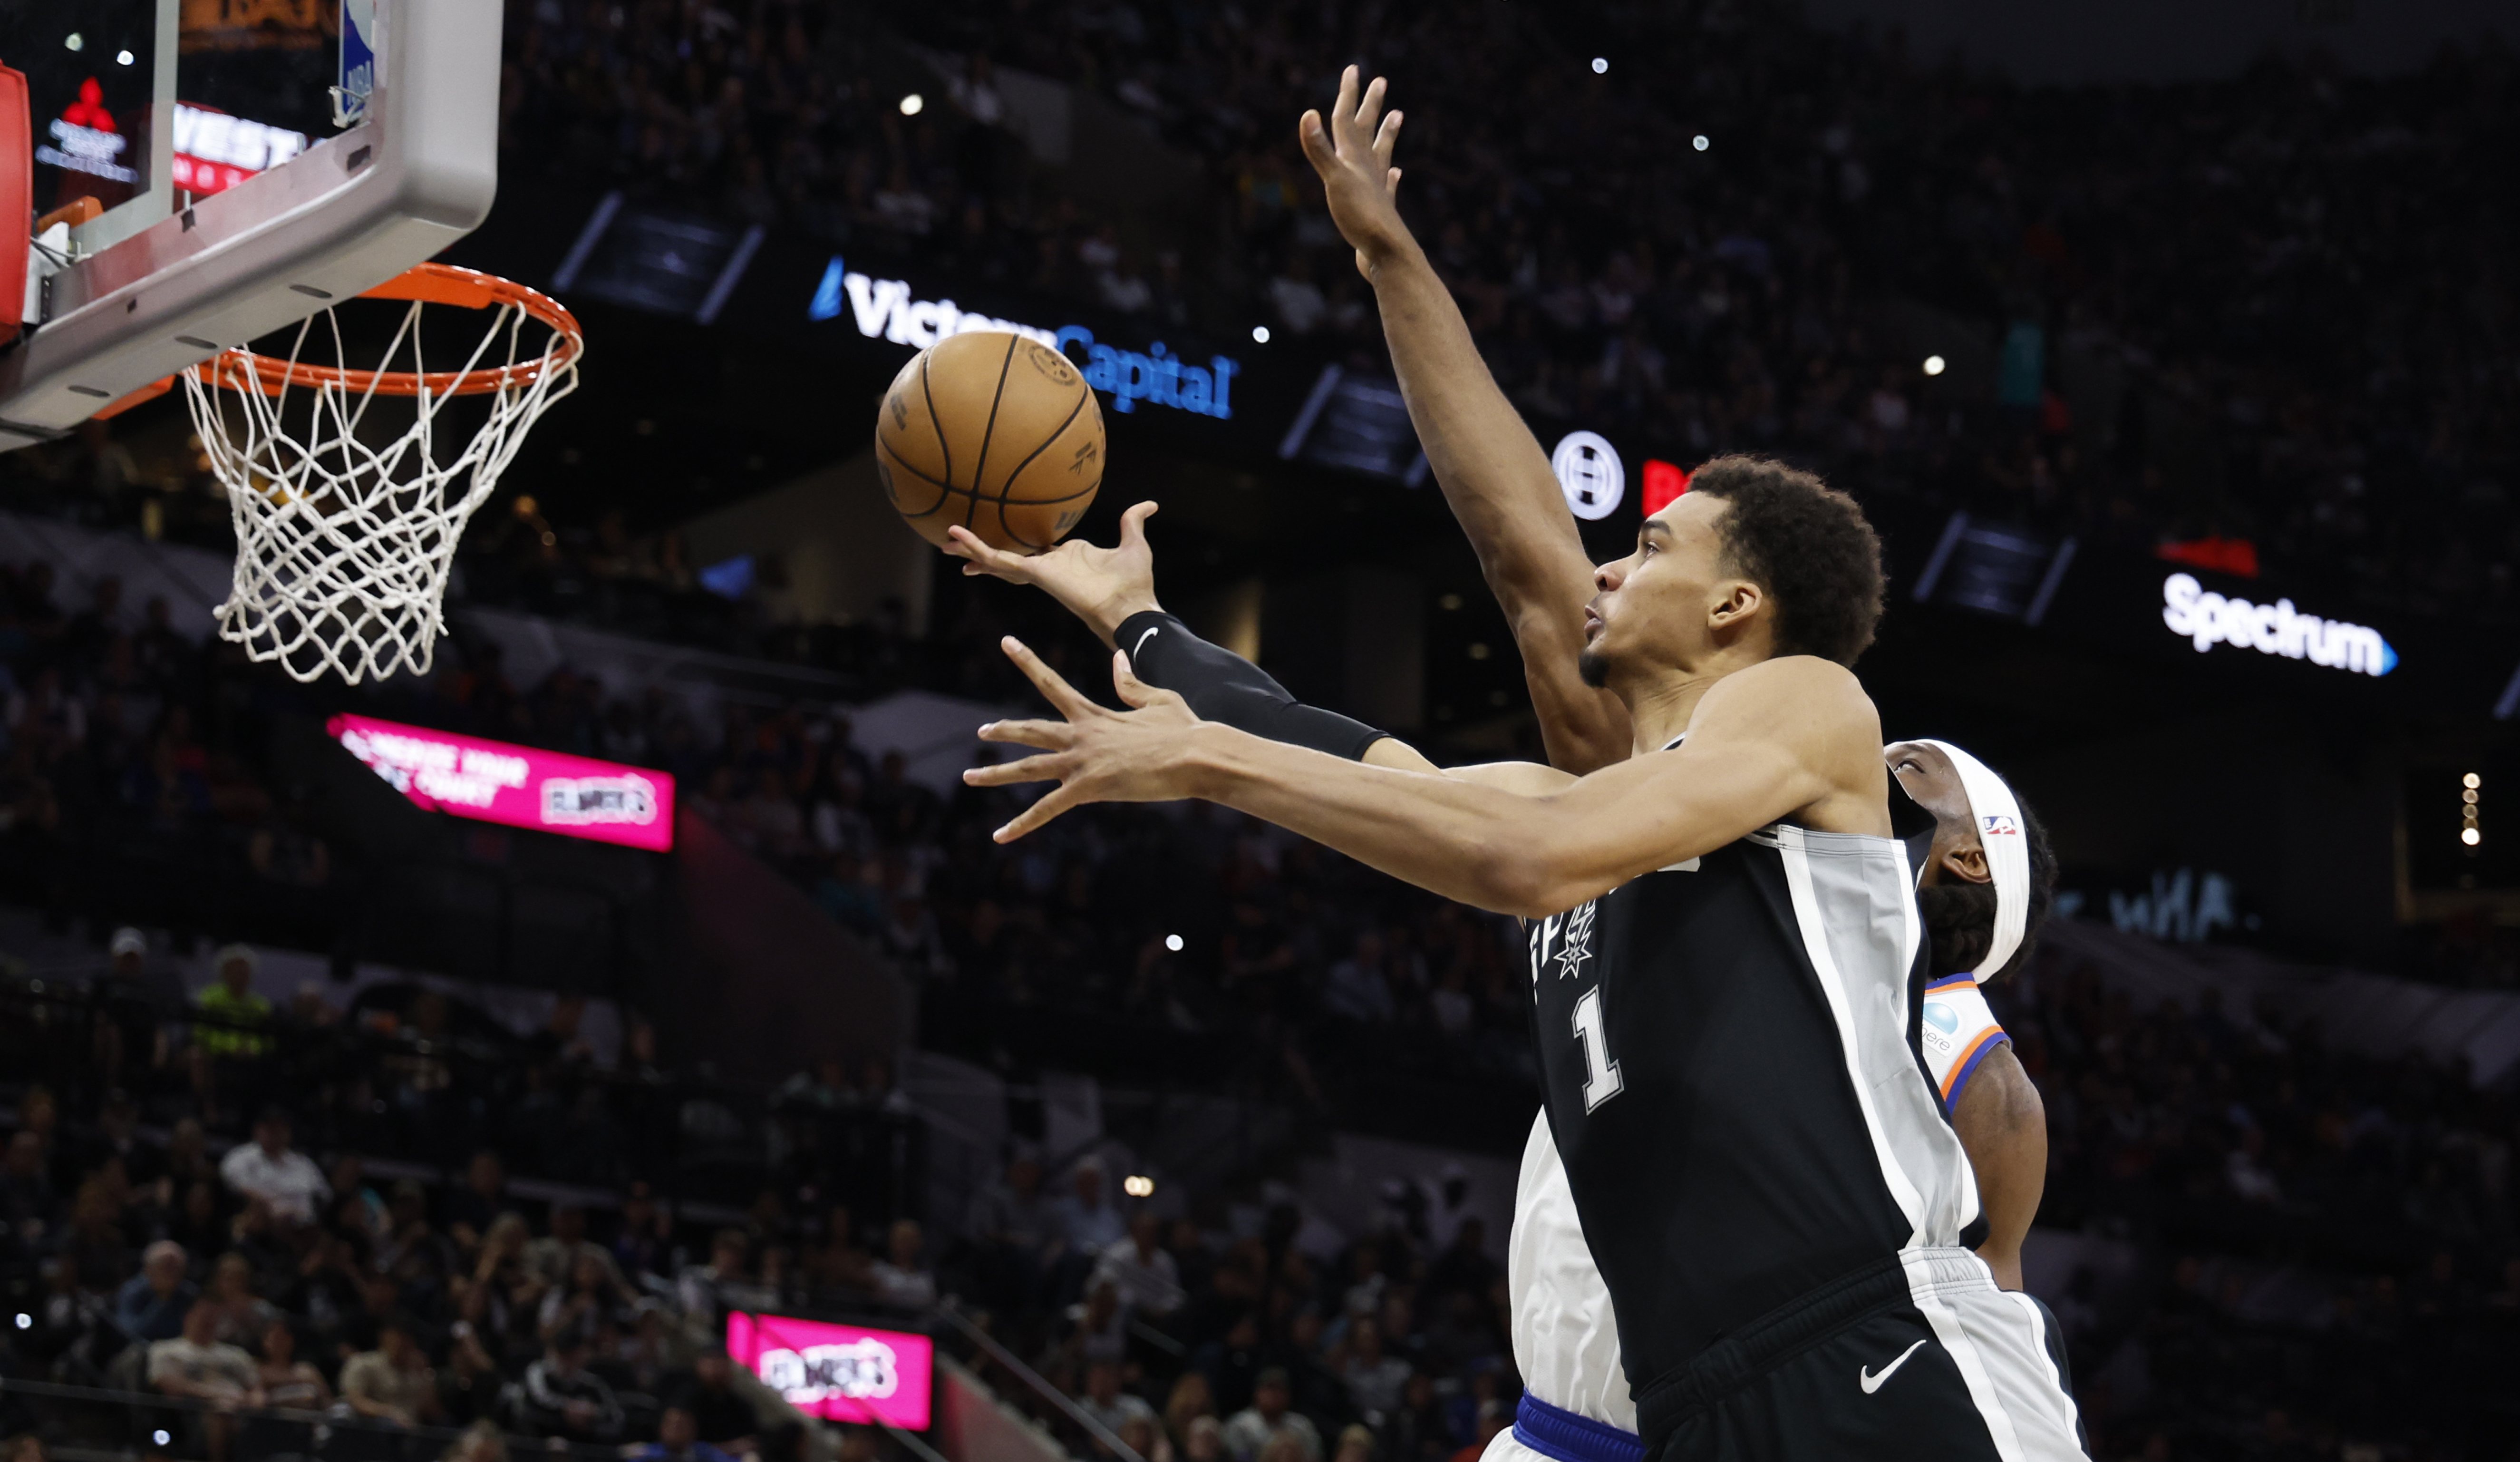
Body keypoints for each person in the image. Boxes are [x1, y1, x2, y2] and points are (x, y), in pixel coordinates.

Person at [956, 150, 2083, 1462]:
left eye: (1655, 543)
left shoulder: (1813, 707)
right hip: (1680, 1407)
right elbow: (1379, 760)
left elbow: (1516, 849)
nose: (1614, 557)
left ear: (1736, 611)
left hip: (1873, 1359)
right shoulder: (1602, 805)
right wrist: (1141, 629)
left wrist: (1203, 765)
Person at [218, 1108, 328, 1224]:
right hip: (265, 1224)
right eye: (270, 1128)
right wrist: (275, 1206)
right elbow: (236, 1186)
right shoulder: (240, 1157)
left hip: (305, 1227)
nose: (275, 1134)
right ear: (257, 1130)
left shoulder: (303, 1163)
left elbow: (324, 1194)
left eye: (280, 1128)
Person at [341, 1314, 442, 1428]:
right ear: (384, 1337)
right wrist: (388, 1412)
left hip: (413, 1434)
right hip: (375, 1431)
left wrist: (425, 1375)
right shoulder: (363, 1364)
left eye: (407, 1337)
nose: (403, 1342)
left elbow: (434, 1413)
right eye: (398, 1336)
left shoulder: (418, 1371)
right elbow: (356, 1401)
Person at [1219, 1368, 1320, 1462]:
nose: (1274, 1395)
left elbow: (1314, 1458)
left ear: (1288, 1396)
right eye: (1269, 1388)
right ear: (1257, 1393)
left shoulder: (1302, 1426)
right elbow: (1240, 1458)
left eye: (1280, 1389)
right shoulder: (1240, 1425)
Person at [116, 1240, 197, 1344]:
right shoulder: (132, 1291)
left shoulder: (189, 1293)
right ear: (149, 1269)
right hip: (142, 1350)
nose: (172, 1274)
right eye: (166, 1268)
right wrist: (162, 1300)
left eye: (176, 1269)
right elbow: (130, 1334)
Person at [631, 1406, 741, 1462]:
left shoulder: (704, 1453)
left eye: (681, 1427)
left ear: (693, 1429)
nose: (675, 1431)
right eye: (671, 1426)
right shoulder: (647, 1455)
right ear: (661, 1428)